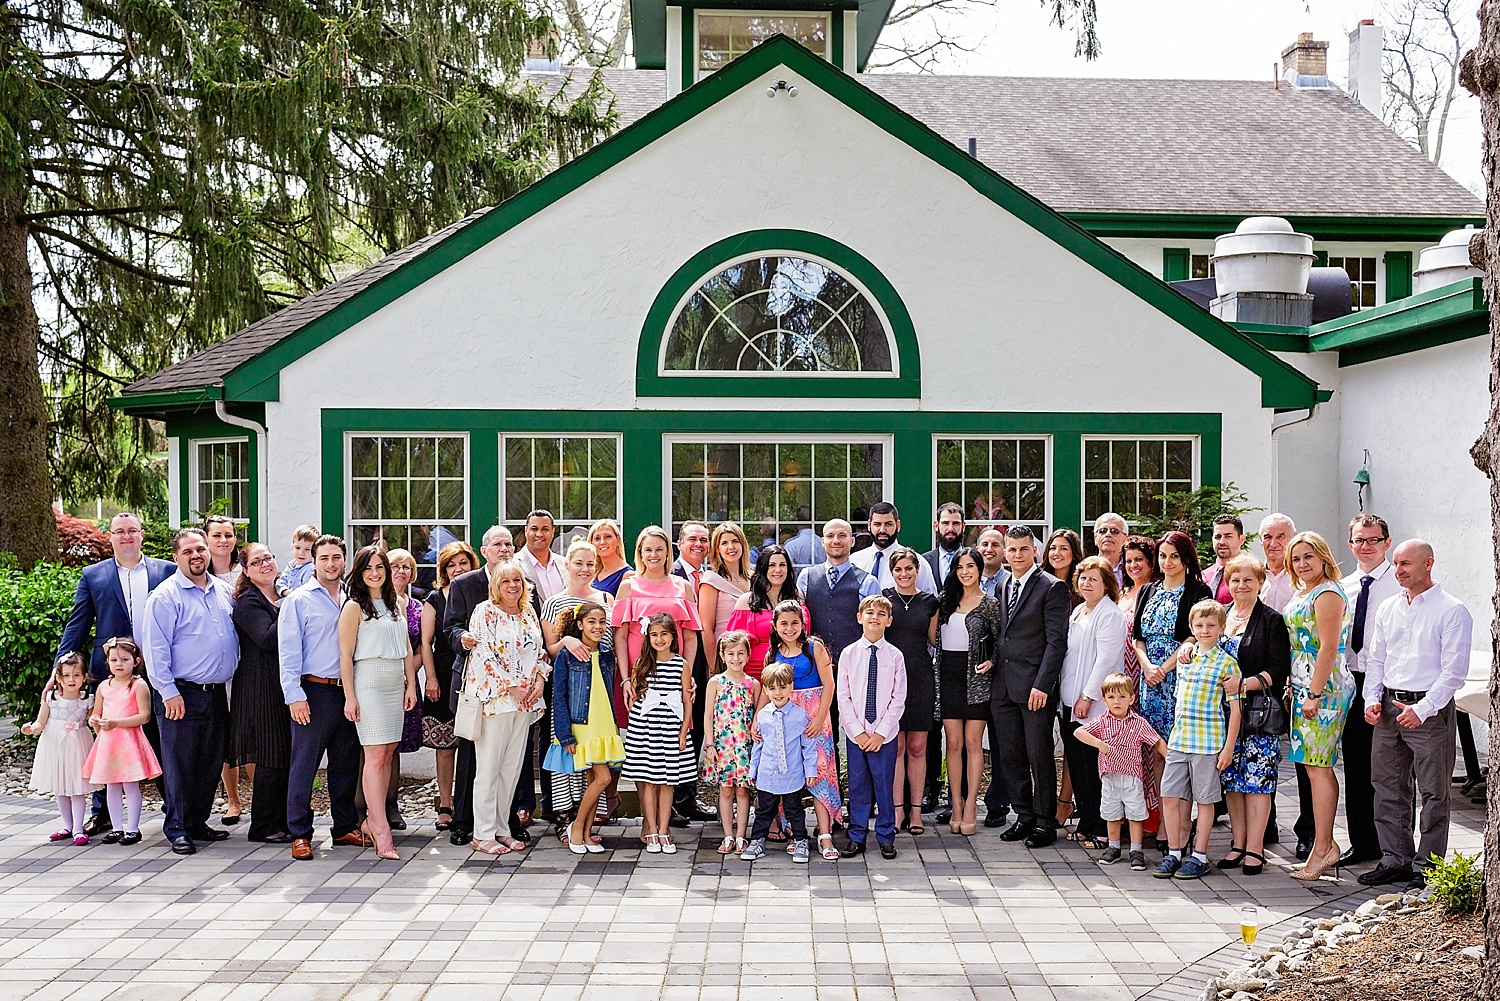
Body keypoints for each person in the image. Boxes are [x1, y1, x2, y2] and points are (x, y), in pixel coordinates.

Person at [1358, 540, 1474, 891]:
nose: (1398, 570)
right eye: (1395, 564)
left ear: (1429, 564)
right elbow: (1375, 660)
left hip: (1430, 712)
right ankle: (1396, 859)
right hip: (1390, 708)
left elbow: (1454, 672)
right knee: (1387, 788)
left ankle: (1428, 867)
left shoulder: (1452, 610)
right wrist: (1371, 699)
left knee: (1435, 793)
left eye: (1406, 563)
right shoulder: (1389, 608)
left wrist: (1423, 710)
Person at [55, 510, 174, 836]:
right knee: (108, 745)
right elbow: (77, 625)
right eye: (119, 531)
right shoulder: (94, 575)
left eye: (132, 530)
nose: (126, 536)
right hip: (110, 676)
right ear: (110, 536)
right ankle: (103, 814)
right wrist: (59, 668)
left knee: (161, 741)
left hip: (157, 669)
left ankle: (174, 812)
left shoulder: (166, 571)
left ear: (142, 534)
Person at [141, 528, 238, 855]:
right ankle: (178, 828)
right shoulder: (165, 597)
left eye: (200, 549)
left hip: (215, 694)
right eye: (188, 552)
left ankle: (198, 822)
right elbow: (155, 649)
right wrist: (168, 692)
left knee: (210, 762)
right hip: (180, 695)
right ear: (176, 557)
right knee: (180, 764)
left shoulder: (222, 591)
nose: (196, 556)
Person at [1198, 555, 1290, 878]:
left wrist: (1244, 685)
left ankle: (1255, 847)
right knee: (1233, 781)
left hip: (1257, 715)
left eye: (1248, 579)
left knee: (1257, 783)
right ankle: (1237, 844)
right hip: (1222, 717)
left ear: (1260, 582)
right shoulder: (1221, 616)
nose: (1240, 585)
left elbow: (1278, 671)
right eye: (1235, 579)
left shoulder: (1271, 620)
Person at [282, 534, 368, 861]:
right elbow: (288, 652)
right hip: (313, 691)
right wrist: (294, 695)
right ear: (314, 562)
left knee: (344, 763)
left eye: (336, 557)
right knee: (305, 765)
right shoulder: (299, 600)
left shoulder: (354, 598)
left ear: (344, 560)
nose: (331, 564)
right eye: (324, 558)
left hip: (347, 691)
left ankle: (344, 825)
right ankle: (300, 833)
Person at [989, 526, 1070, 849]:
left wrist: (1043, 685)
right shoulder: (1001, 584)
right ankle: (1023, 816)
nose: (1018, 555)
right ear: (1006, 552)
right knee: (1011, 755)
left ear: (1034, 551)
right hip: (1003, 687)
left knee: (1039, 755)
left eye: (1024, 549)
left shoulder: (1052, 587)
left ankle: (1044, 822)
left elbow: (1056, 642)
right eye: (1012, 549)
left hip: (1035, 688)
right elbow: (1001, 634)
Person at [1130, 530, 1212, 848]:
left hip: (1180, 680)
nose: (1167, 562)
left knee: (1180, 755)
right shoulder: (1149, 590)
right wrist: (1148, 667)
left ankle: (1180, 828)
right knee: (1157, 754)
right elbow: (1138, 636)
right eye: (1163, 556)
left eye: (1174, 556)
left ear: (1186, 558)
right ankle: (1164, 824)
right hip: (1150, 682)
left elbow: (1197, 635)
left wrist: (1164, 668)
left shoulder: (1197, 591)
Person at [338, 546, 418, 861]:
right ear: (359, 572)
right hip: (368, 680)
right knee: (373, 756)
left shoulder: (397, 603)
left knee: (387, 754)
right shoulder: (354, 607)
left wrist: (411, 685)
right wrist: (350, 696)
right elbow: (344, 655)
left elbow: (408, 650)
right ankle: (379, 826)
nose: (375, 573)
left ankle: (376, 817)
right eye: (369, 568)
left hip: (393, 681)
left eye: (380, 567)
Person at [1152, 600, 1241, 881]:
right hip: (1179, 741)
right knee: (1170, 795)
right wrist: (1186, 648)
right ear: (1192, 628)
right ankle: (1175, 851)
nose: (1205, 630)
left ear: (1221, 628)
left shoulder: (1227, 663)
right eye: (1199, 626)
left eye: (1211, 626)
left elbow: (1235, 710)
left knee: (1204, 801)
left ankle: (1199, 855)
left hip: (1207, 744)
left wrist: (1228, 748)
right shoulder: (1185, 659)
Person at [1282, 531, 1352, 882]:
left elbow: (1327, 647)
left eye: (1308, 556)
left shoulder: (1327, 593)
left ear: (1324, 556)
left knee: (1319, 766)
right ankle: (1321, 846)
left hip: (1324, 688)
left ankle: (1325, 848)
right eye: (1296, 559)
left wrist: (1313, 693)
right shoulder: (1303, 592)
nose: (1302, 563)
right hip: (1302, 685)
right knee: (1312, 767)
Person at [443, 526, 520, 847]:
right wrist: (462, 639)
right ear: (485, 549)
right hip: (477, 689)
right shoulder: (464, 584)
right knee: (473, 759)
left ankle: (507, 822)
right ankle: (464, 823)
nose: (504, 548)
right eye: (497, 544)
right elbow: (450, 627)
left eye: (509, 544)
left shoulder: (521, 585)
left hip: (517, 696)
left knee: (508, 762)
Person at [463, 560, 545, 856]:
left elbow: (540, 652)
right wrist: (511, 685)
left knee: (510, 769)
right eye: (506, 581)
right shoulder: (484, 612)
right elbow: (483, 653)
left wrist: (538, 681)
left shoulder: (528, 614)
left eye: (517, 581)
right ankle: (482, 833)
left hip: (525, 702)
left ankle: (502, 829)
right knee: (489, 767)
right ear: (495, 585)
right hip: (495, 700)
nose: (512, 586)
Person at [539, 540, 615, 835]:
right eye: (579, 563)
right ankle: (565, 820)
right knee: (567, 754)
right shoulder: (555, 602)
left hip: (599, 685)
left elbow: (610, 644)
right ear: (566, 565)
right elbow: (550, 648)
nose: (584, 569)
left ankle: (586, 820)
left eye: (590, 564)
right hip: (570, 685)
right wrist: (568, 641)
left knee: (595, 757)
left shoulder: (606, 599)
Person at [1338, 514, 1400, 869]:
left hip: (1388, 683)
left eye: (1373, 540)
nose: (1366, 546)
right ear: (1350, 545)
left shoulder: (1397, 583)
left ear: (1386, 543)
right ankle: (1362, 842)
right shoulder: (1344, 587)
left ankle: (1394, 845)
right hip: (1353, 682)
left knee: (1390, 768)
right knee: (1357, 765)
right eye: (1359, 541)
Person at [762, 599, 843, 859]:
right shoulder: (772, 653)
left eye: (794, 623)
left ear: (803, 623)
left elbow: (829, 685)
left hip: (814, 718)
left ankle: (824, 833)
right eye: (783, 623)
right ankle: (795, 831)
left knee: (819, 773)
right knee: (790, 772)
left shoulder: (814, 648)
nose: (789, 628)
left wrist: (820, 718)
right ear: (775, 626)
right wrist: (757, 720)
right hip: (784, 721)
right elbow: (767, 689)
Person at [1058, 556, 1128, 849]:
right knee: (1077, 765)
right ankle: (1086, 822)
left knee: (1095, 767)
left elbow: (1105, 661)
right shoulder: (1078, 612)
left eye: (1093, 579)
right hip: (1069, 702)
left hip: (1093, 706)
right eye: (1083, 578)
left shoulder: (1109, 615)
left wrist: (1088, 696)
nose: (1087, 583)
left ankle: (1102, 828)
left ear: (1106, 584)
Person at [229, 544, 292, 843]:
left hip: (282, 683)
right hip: (259, 686)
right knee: (269, 756)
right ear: (246, 570)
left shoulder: (281, 595)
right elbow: (267, 639)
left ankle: (282, 820)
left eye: (268, 558)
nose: (265, 564)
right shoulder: (248, 602)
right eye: (256, 562)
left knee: (284, 754)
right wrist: (290, 610)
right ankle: (263, 827)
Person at [550, 601, 624, 854]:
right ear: (579, 625)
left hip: (604, 722)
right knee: (603, 778)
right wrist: (565, 733)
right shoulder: (567, 655)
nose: (598, 626)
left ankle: (587, 834)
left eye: (602, 622)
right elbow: (558, 695)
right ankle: (576, 827)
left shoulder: (605, 654)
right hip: (583, 724)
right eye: (592, 622)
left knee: (595, 779)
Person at [838, 595, 907, 861]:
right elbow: (843, 696)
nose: (874, 617)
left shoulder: (895, 656)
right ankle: (856, 835)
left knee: (883, 785)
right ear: (860, 617)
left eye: (881, 614)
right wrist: (858, 732)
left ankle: (886, 836)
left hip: (884, 736)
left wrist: (880, 733)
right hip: (857, 735)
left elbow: (898, 697)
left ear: (889, 621)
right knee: (857, 785)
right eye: (869, 613)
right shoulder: (849, 654)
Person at [1073, 674, 1166, 870]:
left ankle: (1136, 849)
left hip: (1132, 778)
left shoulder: (1138, 722)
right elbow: (1078, 732)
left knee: (1135, 814)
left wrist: (1171, 759)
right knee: (1111, 813)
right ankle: (1113, 847)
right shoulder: (1102, 721)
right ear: (1105, 699)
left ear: (1131, 699)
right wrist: (1100, 744)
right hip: (1110, 777)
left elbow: (1156, 740)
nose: (1117, 702)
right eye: (1112, 697)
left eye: (1122, 697)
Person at [620, 613, 696, 854]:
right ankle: (651, 829)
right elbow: (635, 699)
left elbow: (686, 699)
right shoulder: (642, 663)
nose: (659, 639)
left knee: (667, 781)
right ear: (648, 637)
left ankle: (664, 830)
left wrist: (684, 731)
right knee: (649, 781)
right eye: (654, 634)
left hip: (671, 728)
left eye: (664, 634)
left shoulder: (681, 664)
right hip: (646, 729)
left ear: (673, 636)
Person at [936, 548, 998, 837]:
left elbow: (998, 644)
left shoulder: (990, 604)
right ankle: (956, 803)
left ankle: (972, 804)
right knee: (953, 743)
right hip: (947, 675)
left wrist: (992, 661)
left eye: (970, 566)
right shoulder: (945, 601)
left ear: (979, 568)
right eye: (960, 567)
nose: (965, 572)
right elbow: (934, 637)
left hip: (976, 678)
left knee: (974, 742)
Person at [80, 637, 161, 846]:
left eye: (124, 659)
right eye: (114, 660)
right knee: (112, 786)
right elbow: (96, 713)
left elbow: (144, 716)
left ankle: (133, 829)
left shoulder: (138, 685)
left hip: (128, 742)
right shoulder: (103, 687)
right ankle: (117, 827)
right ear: (107, 661)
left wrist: (116, 722)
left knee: (130, 784)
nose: (119, 664)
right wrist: (94, 720)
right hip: (108, 743)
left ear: (136, 661)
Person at [419, 541, 477, 832]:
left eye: (463, 563)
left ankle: (472, 804)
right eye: (451, 565)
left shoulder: (479, 593)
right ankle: (445, 804)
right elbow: (426, 643)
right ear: (443, 570)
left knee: (473, 743)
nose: (457, 569)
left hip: (477, 677)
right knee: (444, 746)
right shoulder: (434, 599)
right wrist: (430, 677)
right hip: (442, 676)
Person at [739, 661, 819, 864]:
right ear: (765, 689)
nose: (778, 693)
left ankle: (801, 841)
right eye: (772, 688)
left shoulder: (800, 716)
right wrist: (753, 770)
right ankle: (757, 841)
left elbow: (807, 746)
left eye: (782, 687)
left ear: (791, 686)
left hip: (792, 774)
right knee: (764, 810)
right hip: (767, 774)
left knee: (794, 810)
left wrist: (810, 770)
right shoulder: (763, 716)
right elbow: (758, 745)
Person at [884, 547, 939, 835]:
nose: (904, 574)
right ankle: (897, 811)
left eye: (909, 568)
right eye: (898, 569)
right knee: (896, 748)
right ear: (891, 572)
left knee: (917, 747)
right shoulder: (883, 599)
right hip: (889, 681)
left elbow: (935, 641)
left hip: (920, 678)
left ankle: (916, 812)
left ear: (918, 570)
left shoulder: (930, 602)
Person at [23, 652, 100, 845]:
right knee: (61, 788)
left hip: (77, 745)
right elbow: (41, 722)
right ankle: (67, 825)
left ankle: (78, 828)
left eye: (76, 675)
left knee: (76, 788)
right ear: (58, 678)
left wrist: (96, 723)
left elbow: (92, 721)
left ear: (84, 678)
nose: (71, 680)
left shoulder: (86, 699)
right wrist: (32, 728)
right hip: (55, 745)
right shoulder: (51, 698)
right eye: (66, 675)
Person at [669, 520, 714, 825]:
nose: (699, 544)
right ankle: (668, 801)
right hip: (678, 656)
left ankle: (686, 798)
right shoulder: (671, 576)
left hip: (706, 656)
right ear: (680, 543)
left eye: (704, 539)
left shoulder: (712, 577)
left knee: (697, 724)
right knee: (674, 728)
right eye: (693, 539)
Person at [202, 514, 245, 826]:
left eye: (228, 535)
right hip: (215, 669)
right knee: (223, 734)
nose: (223, 541)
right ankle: (232, 799)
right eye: (216, 535)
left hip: (248, 664)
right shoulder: (198, 577)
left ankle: (263, 797)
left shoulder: (247, 573)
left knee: (250, 731)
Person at [380, 547, 426, 830]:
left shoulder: (417, 607)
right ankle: (366, 807)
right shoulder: (373, 602)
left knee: (393, 747)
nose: (401, 571)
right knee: (374, 747)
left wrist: (410, 675)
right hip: (378, 682)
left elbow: (421, 646)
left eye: (406, 567)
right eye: (395, 566)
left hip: (407, 683)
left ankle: (391, 804)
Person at [702, 630, 758, 855]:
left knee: (743, 791)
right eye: (731, 654)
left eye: (741, 653)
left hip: (744, 747)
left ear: (748, 655)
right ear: (723, 655)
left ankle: (741, 835)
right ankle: (727, 835)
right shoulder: (716, 682)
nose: (736, 658)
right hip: (722, 746)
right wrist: (709, 745)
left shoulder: (753, 684)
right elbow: (707, 715)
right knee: (725, 791)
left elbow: (755, 717)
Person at [726, 544, 807, 679]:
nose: (778, 570)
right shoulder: (746, 601)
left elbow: (805, 635)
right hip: (755, 674)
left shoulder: (798, 597)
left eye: (782, 565)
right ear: (763, 568)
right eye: (771, 565)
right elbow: (732, 644)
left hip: (794, 672)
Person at [698, 522, 752, 677]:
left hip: (753, 656)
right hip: (726, 659)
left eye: (735, 541)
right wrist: (715, 668)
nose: (731, 547)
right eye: (724, 543)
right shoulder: (711, 580)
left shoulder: (755, 579)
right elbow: (706, 629)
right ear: (717, 549)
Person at [852, 502, 938, 593]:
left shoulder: (916, 562)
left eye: (888, 524)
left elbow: (929, 602)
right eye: (877, 524)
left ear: (898, 525)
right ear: (869, 525)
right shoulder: (855, 561)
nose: (882, 530)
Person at [516, 510, 567, 603]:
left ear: (553, 532)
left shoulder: (565, 564)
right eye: (534, 529)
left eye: (545, 529)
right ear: (526, 531)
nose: (539, 534)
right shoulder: (513, 565)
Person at [1257, 513, 1296, 613]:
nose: (1273, 544)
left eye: (1280, 537)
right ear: (1260, 539)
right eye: (1268, 537)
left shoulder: (1302, 577)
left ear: (1294, 538)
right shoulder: (1253, 575)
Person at [1202, 515, 1245, 605]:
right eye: (1217, 537)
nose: (1222, 542)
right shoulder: (1202, 577)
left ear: (1241, 539)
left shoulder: (1249, 576)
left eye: (1228, 536)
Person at [588, 519, 635, 597]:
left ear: (618, 540)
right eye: (597, 538)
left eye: (608, 537)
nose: (602, 542)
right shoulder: (593, 572)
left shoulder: (628, 575)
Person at [924, 502, 967, 585]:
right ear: (936, 526)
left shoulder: (973, 560)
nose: (950, 528)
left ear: (963, 527)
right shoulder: (924, 561)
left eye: (956, 523)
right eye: (945, 523)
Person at [1043, 529, 1085, 609]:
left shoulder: (1083, 583)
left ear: (1074, 553)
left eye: (1063, 549)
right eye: (1053, 548)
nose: (1056, 553)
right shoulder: (1039, 581)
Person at [276, 524, 320, 596]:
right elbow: (281, 581)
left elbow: (306, 593)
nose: (301, 553)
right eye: (297, 548)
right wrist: (285, 591)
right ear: (292, 547)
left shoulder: (311, 569)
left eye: (307, 549)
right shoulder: (291, 565)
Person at [1092, 513, 1129, 582]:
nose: (1108, 534)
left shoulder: (1132, 570)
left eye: (1114, 531)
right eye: (1103, 531)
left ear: (1125, 539)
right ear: (1095, 538)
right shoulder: (1086, 569)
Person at [974, 528, 1007, 594]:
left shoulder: (1012, 583)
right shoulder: (966, 581)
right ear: (977, 550)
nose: (989, 549)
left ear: (1004, 552)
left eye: (995, 545)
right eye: (985, 544)